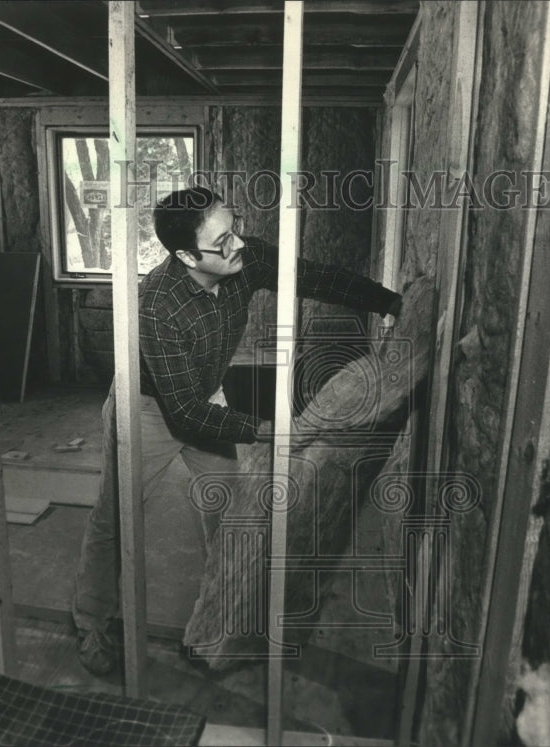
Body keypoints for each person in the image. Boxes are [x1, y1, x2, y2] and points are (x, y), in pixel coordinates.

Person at [73, 186, 403, 675]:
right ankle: (93, 623)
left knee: (232, 515)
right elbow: (182, 413)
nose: (238, 247)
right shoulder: (157, 305)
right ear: (186, 255)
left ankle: (220, 625)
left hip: (204, 394)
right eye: (222, 242)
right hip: (147, 408)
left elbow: (312, 276)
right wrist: (267, 430)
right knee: (116, 517)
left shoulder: (242, 256)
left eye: (235, 230)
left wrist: (387, 300)